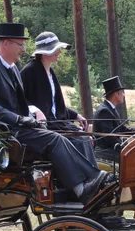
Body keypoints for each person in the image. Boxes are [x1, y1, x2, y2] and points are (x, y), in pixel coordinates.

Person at [0, 23, 111, 203]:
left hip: (18, 127)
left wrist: (29, 116)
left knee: (71, 137)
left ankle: (90, 181)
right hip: (2, 131)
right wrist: (20, 119)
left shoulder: (12, 68)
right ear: (6, 43)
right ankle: (81, 188)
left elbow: (22, 103)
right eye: (20, 44)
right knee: (55, 139)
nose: (23, 49)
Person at [20, 31, 95, 167]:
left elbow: (54, 105)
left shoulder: (51, 72)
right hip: (44, 126)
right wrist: (35, 111)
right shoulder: (29, 71)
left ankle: (93, 177)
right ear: (44, 54)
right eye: (55, 49)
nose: (59, 52)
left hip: (58, 123)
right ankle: (85, 180)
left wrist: (76, 115)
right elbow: (20, 99)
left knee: (86, 137)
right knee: (80, 140)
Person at [92, 76, 135, 161]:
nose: (123, 95)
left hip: (112, 150)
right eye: (122, 92)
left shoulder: (111, 109)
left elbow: (121, 129)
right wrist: (126, 149)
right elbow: (109, 138)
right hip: (105, 152)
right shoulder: (104, 111)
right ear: (116, 94)